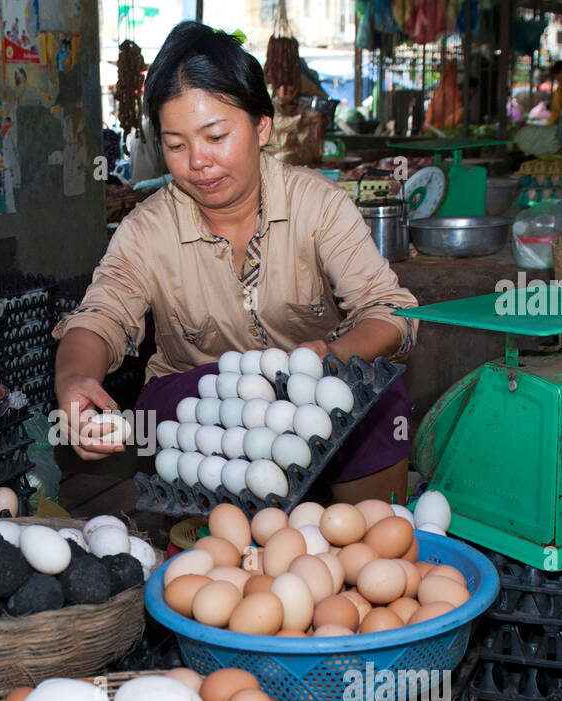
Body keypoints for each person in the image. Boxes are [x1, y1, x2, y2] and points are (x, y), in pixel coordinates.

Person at [53, 22, 419, 504]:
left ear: (261, 126)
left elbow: (390, 313)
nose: (198, 162)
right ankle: (210, 532)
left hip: (310, 396)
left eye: (216, 136)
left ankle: (362, 547)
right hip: (207, 420)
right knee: (159, 406)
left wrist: (327, 358)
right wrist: (74, 380)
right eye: (177, 145)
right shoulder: (148, 228)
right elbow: (101, 316)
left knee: (378, 400)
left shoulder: (318, 206)